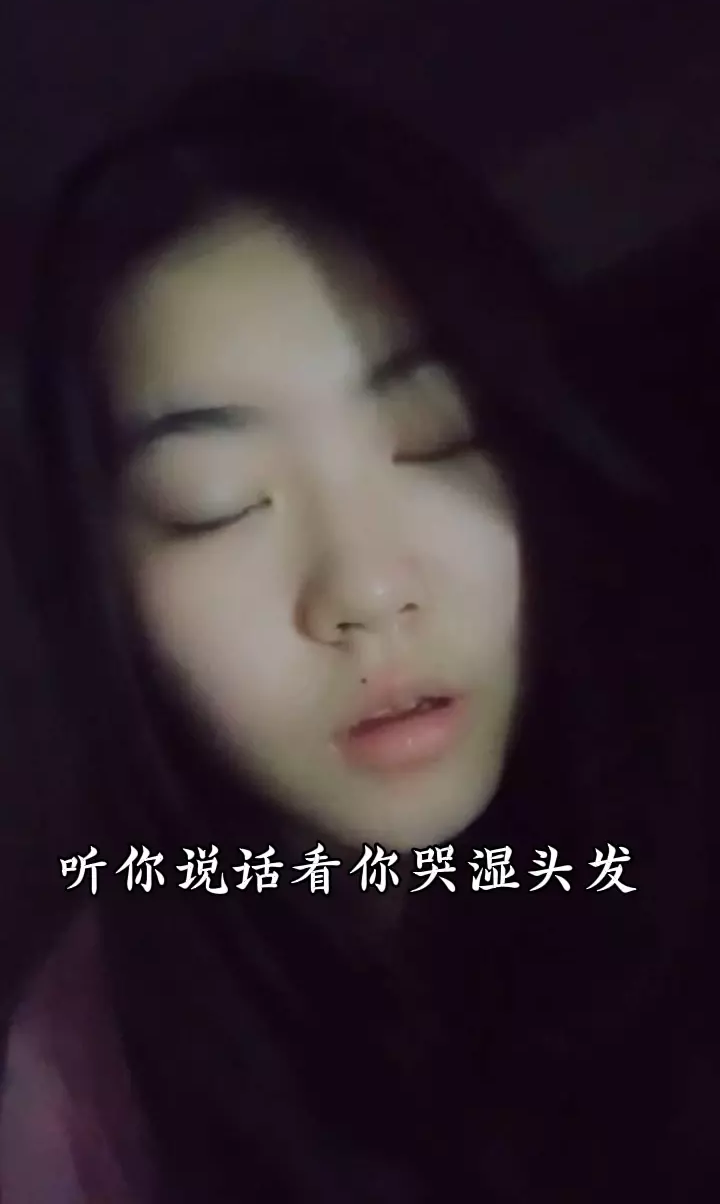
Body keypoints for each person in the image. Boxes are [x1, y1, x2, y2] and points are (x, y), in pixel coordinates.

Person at [0, 68, 713, 1204]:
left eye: (436, 433)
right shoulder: (81, 1078)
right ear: (106, 602)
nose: (368, 589)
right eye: (215, 501)